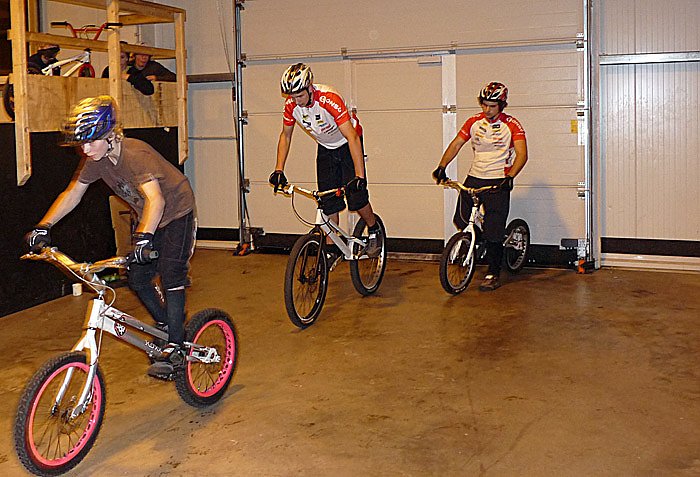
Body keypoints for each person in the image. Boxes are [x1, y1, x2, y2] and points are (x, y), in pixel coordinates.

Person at [25, 95, 196, 379]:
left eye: (91, 141)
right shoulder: (96, 160)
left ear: (110, 135)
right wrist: (44, 226)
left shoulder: (135, 154)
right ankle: (168, 324)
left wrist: (144, 236)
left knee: (171, 273)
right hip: (148, 217)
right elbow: (73, 193)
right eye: (81, 143)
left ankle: (176, 345)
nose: (85, 149)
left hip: (176, 212)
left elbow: (156, 200)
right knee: (137, 277)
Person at [270, 63, 382, 259]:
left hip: (348, 143)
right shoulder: (291, 105)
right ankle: (331, 250)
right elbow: (285, 136)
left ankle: (374, 230)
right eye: (292, 97)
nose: (296, 101)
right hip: (326, 147)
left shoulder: (329, 99)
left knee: (356, 196)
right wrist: (278, 170)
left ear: (310, 87)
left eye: (300, 96)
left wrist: (359, 176)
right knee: (327, 200)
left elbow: (352, 137)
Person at [432, 82, 528, 291]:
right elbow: (456, 144)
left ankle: (493, 272)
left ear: (501, 105)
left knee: (494, 231)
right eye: (484, 105)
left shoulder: (512, 125)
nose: (487, 109)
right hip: (474, 177)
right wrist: (442, 166)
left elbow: (522, 154)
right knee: (461, 219)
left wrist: (510, 176)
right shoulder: (473, 122)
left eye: (492, 106)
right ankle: (481, 240)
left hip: (498, 180)